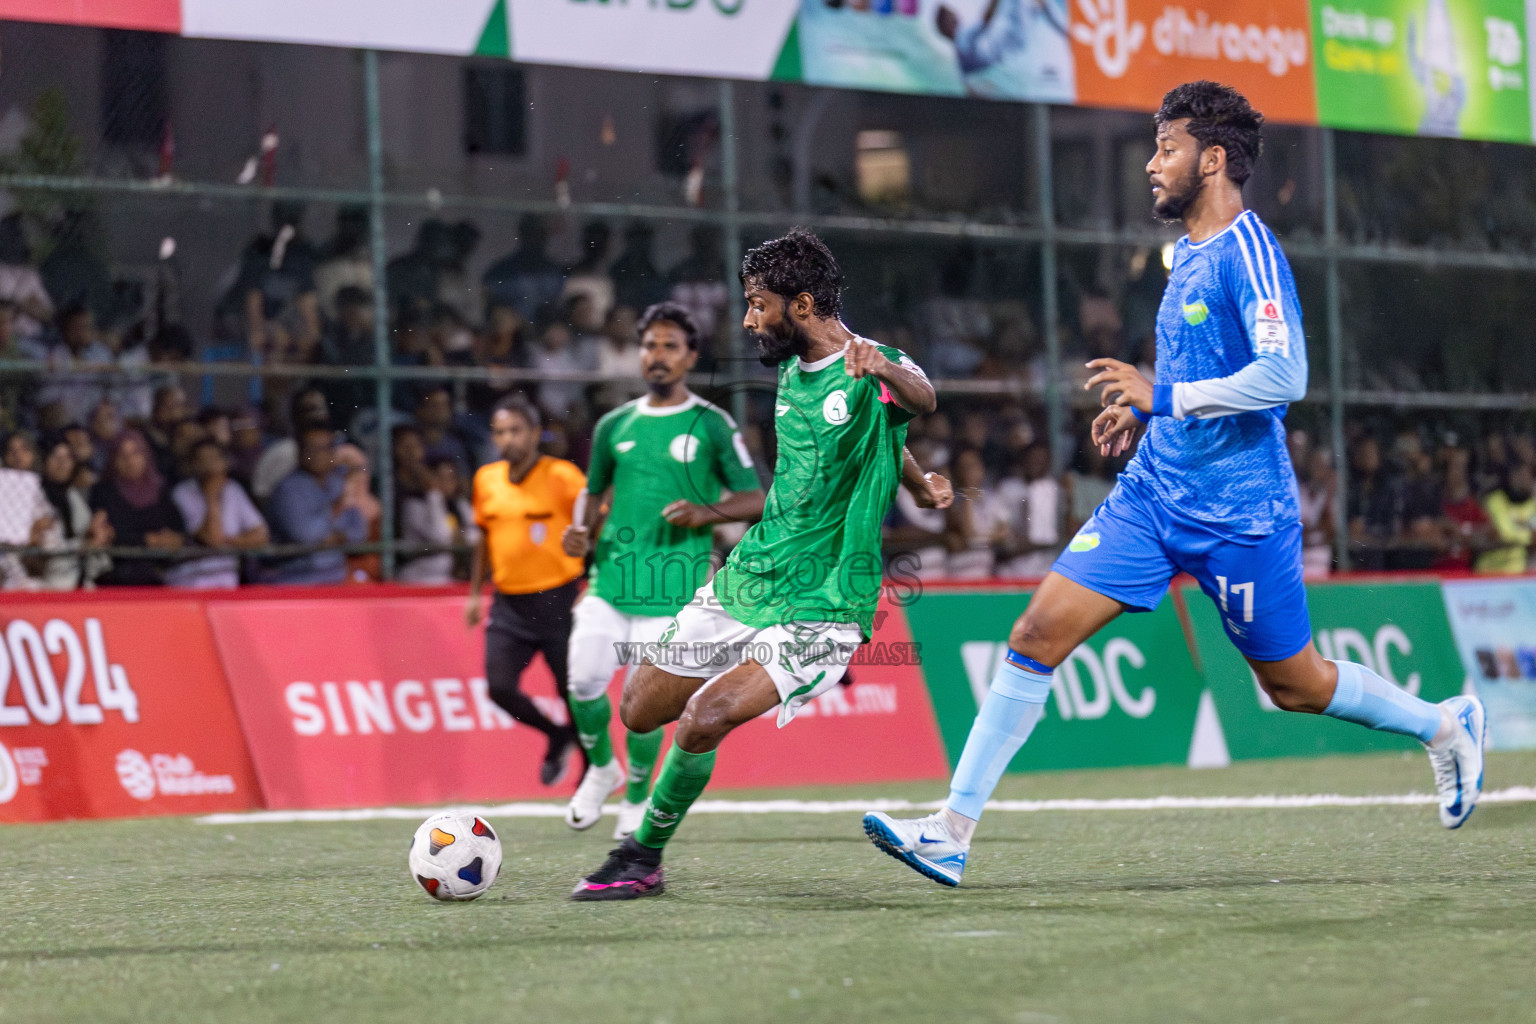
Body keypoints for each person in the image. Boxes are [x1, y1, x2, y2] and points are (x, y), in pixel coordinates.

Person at [863, 82, 1487, 890]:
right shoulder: (1185, 253)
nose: (1152, 165)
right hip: (1154, 498)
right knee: (1033, 635)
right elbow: (1201, 372)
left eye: (1166, 148)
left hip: (1240, 517)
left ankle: (1443, 724)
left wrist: (1168, 398)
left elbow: (1284, 373)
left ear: (1214, 158)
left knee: (1294, 684)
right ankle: (950, 831)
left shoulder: (1248, 251)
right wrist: (1150, 419)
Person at [570, 229, 951, 901]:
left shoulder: (871, 363)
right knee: (637, 708)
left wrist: (887, 370)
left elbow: (919, 397)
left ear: (801, 304)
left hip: (824, 598)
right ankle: (697, 741)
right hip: (750, 576)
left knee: (703, 717)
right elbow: (884, 439)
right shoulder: (789, 365)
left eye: (757, 304)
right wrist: (918, 481)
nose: (749, 320)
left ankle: (642, 855)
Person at [558, 301, 766, 838]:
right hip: (610, 581)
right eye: (650, 345)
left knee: (640, 699)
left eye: (670, 346)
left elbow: (756, 497)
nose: (657, 355)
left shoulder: (713, 424)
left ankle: (635, 794)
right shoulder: (613, 425)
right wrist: (581, 533)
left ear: (690, 357)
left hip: (674, 589)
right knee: (582, 678)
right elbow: (592, 492)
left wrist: (705, 512)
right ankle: (601, 769)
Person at [466, 397, 585, 787]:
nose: (508, 439)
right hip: (509, 602)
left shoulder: (562, 476)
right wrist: (474, 592)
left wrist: (595, 575)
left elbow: (600, 518)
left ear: (535, 434)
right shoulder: (486, 479)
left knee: (573, 693)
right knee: (499, 688)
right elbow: (484, 536)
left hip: (558, 599)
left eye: (516, 430)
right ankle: (556, 735)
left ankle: (592, 771)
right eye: (500, 432)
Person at [264, 427, 367, 585]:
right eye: (313, 449)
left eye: (326, 448)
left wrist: (335, 537)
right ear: (301, 453)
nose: (319, 454)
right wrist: (338, 507)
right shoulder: (288, 489)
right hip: (296, 580)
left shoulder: (337, 481)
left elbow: (359, 532)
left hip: (336, 576)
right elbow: (307, 536)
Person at [167, 439, 269, 588]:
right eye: (203, 460)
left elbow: (261, 535)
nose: (210, 466)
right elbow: (212, 539)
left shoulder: (232, 489)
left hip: (227, 575)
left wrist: (229, 542)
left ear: (225, 462)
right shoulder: (182, 493)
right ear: (193, 465)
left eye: (214, 459)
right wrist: (212, 498)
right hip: (191, 578)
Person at [90, 430, 186, 586]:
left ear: (146, 456)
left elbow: (179, 529)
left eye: (135, 453)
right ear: (113, 459)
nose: (130, 461)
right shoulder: (103, 492)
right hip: (117, 577)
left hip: (163, 575)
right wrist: (148, 540)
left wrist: (175, 539)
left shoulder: (161, 490)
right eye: (122, 455)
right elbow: (108, 534)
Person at [1476, 462, 1535, 574]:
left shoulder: (1532, 505)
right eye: (1521, 474)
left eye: (1529, 475)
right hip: (1489, 570)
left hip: (1518, 571)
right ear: (1513, 475)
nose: (1525, 479)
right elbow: (1503, 533)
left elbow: (1533, 534)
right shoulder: (1494, 500)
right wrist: (1523, 538)